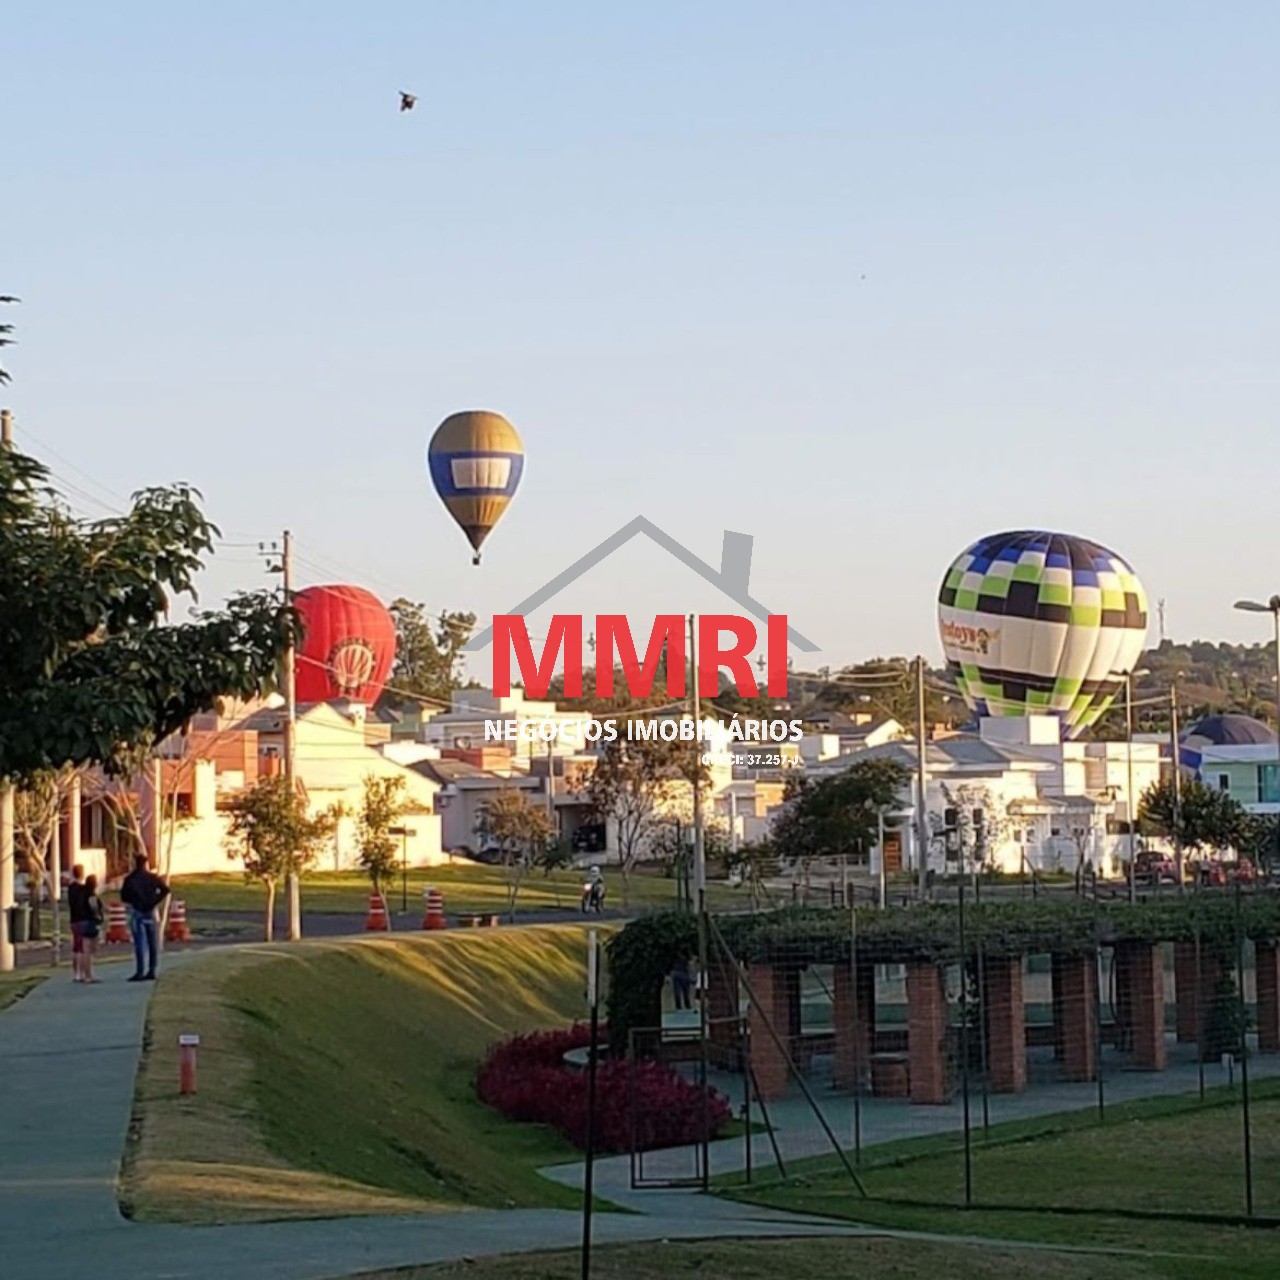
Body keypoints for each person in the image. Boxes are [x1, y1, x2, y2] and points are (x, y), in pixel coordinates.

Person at [120, 854, 169, 981]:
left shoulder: (130, 879)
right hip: (151, 910)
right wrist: (154, 900)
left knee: (140, 942)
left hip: (137, 910)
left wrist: (134, 900)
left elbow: (124, 897)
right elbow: (165, 890)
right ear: (146, 863)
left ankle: (140, 971)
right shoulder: (152, 878)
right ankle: (152, 969)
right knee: (152, 941)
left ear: (135, 863)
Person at [66, 864, 92, 983]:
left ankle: (76, 973)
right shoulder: (84, 889)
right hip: (83, 919)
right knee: (83, 948)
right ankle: (82, 973)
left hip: (74, 920)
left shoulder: (71, 889)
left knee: (76, 947)